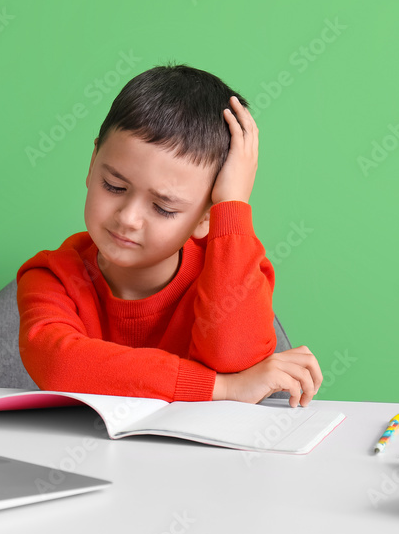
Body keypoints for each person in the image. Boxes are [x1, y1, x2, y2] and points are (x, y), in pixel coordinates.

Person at [16, 64, 323, 407]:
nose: (129, 218)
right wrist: (221, 389)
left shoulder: (230, 267)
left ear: (206, 216)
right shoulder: (50, 277)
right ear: (92, 164)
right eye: (114, 186)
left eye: (163, 208)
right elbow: (60, 367)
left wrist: (233, 204)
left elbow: (234, 358)